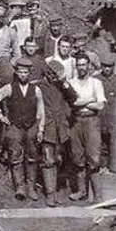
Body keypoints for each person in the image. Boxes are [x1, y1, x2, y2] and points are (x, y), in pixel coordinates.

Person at [0, 57, 45, 202]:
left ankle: (31, 187)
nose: (23, 75)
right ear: (16, 72)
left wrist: (40, 129)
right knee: (16, 157)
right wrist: (1, 117)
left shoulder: (36, 90)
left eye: (25, 72)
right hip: (14, 127)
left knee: (32, 157)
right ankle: (20, 187)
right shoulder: (9, 88)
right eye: (20, 72)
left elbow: (41, 111)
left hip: (31, 126)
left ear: (29, 73)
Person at [67, 53, 106, 203]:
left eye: (84, 64)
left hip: (92, 121)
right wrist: (90, 100)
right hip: (76, 121)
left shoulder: (96, 83)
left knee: (94, 157)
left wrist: (82, 101)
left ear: (88, 66)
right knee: (78, 157)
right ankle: (81, 191)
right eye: (79, 65)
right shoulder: (72, 83)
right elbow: (72, 103)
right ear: (76, 67)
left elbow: (100, 105)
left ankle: (98, 196)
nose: (81, 68)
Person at [40, 59, 74, 206]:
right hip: (47, 127)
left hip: (61, 128)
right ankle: (50, 194)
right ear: (48, 73)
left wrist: (65, 83)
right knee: (48, 160)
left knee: (60, 159)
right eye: (53, 76)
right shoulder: (38, 86)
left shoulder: (61, 86)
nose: (55, 79)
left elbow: (74, 97)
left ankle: (57, 191)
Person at [96, 55, 116, 168]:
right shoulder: (96, 79)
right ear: (101, 66)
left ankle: (115, 165)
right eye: (105, 66)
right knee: (101, 143)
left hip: (115, 119)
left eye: (109, 66)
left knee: (114, 142)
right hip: (100, 116)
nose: (107, 69)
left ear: (113, 67)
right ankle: (103, 166)